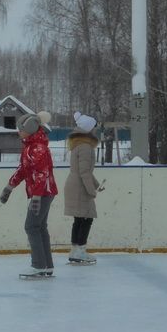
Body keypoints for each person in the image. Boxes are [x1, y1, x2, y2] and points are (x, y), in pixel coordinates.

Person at [0, 110, 58, 279]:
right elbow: (23, 169)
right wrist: (9, 187)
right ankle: (46, 266)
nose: (18, 131)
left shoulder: (38, 148)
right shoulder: (30, 146)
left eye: (20, 129)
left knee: (31, 226)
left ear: (30, 130)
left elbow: (42, 174)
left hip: (43, 193)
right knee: (39, 227)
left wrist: (37, 197)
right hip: (43, 192)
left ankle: (38, 265)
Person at [64, 111, 101, 265]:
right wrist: (91, 191)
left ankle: (75, 250)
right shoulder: (85, 147)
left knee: (79, 219)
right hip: (80, 187)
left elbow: (83, 170)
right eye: (93, 128)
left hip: (75, 184)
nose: (95, 131)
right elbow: (84, 172)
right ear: (88, 129)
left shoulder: (78, 145)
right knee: (86, 218)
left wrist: (96, 184)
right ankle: (80, 251)